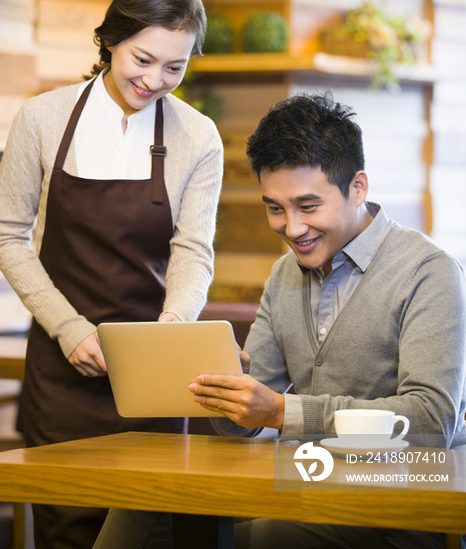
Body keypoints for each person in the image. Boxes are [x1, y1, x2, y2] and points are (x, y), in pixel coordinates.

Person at [93, 92, 466, 549]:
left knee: (265, 535)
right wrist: (229, 390)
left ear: (359, 187)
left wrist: (282, 411)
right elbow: (241, 428)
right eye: (275, 208)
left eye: (308, 206)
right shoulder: (285, 273)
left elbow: (431, 424)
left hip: (398, 498)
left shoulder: (429, 271)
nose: (291, 229)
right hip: (307, 480)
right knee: (139, 503)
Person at [0, 0, 223, 549]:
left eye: (174, 68)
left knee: (148, 529)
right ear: (110, 40)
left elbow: (193, 250)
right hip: (63, 371)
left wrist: (175, 325)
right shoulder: (43, 118)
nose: (154, 81)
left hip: (153, 377)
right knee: (66, 532)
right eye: (142, 59)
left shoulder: (198, 136)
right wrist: (70, 328)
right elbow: (7, 235)